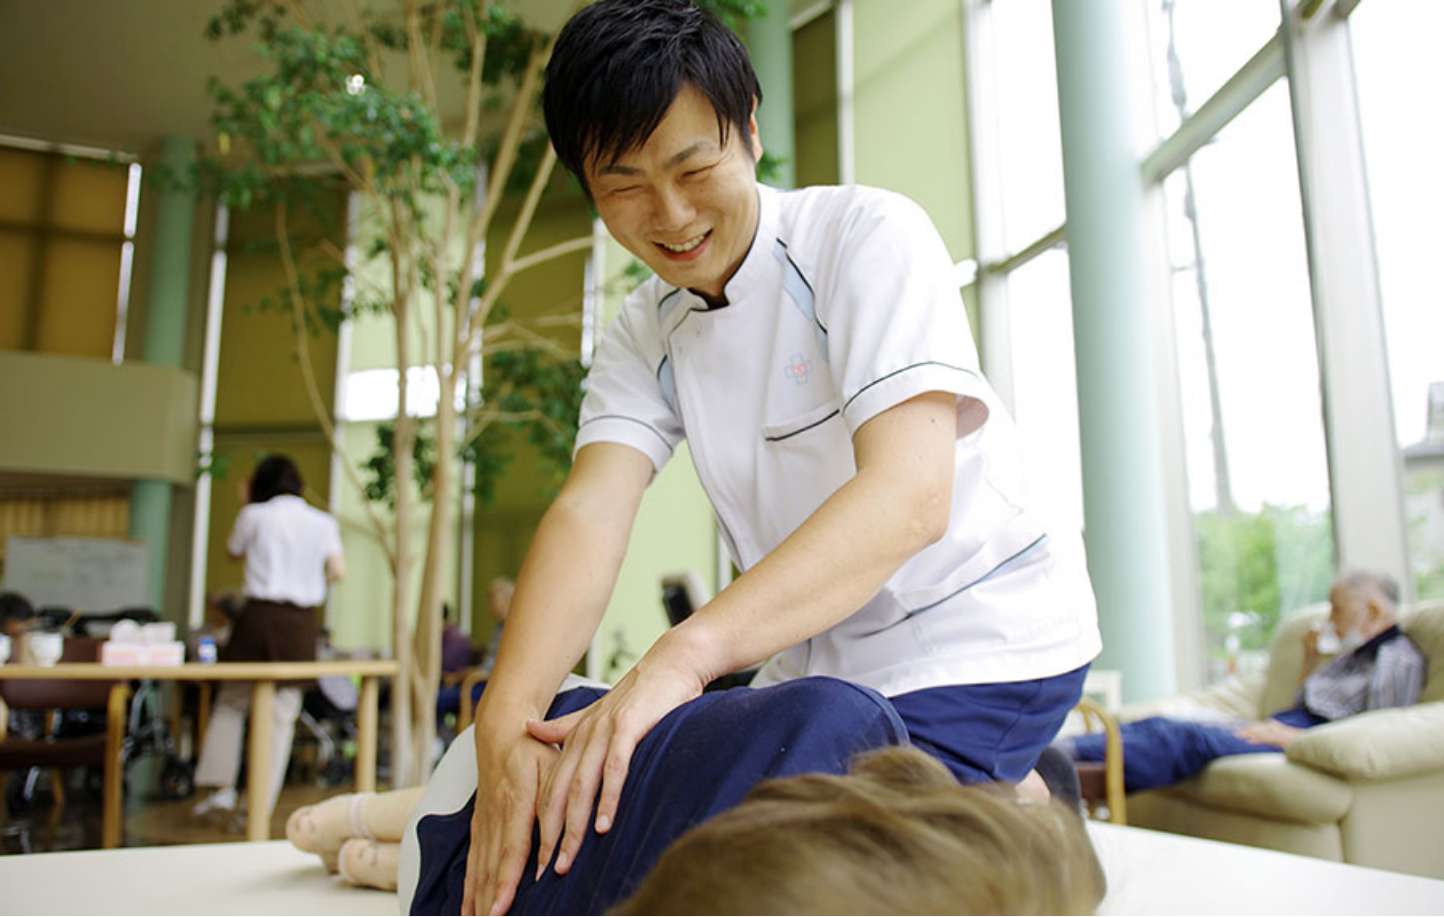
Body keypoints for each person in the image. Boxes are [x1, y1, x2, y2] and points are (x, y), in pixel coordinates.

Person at [463, 2, 1102, 912]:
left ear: (751, 130)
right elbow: (591, 510)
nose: (671, 214)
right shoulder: (643, 329)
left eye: (694, 167)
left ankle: (1030, 800)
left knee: (784, 873)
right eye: (625, 184)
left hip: (976, 634)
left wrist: (683, 657)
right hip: (822, 662)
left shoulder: (866, 237)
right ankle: (992, 788)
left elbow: (910, 495)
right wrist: (505, 718)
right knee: (656, 790)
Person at [287, 679, 1105, 914]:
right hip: (467, 842)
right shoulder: (840, 741)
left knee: (514, 796)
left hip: (481, 801)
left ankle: (361, 834)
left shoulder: (847, 723)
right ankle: (364, 846)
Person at [1063, 571, 1427, 793]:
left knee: (1186, 738)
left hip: (1307, 739)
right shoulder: (1350, 657)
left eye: (1338, 609)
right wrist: (1310, 660)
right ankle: (1066, 750)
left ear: (1374, 610)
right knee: (1161, 723)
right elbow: (1304, 702)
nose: (1331, 619)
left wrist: (1296, 739)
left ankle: (1062, 760)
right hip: (1287, 726)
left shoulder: (1398, 659)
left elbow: (1376, 736)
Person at [191, 454, 345, 821]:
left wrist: (248, 503)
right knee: (282, 714)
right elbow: (338, 571)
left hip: (259, 617)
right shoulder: (322, 522)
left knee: (232, 701)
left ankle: (219, 791)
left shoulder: (255, 515)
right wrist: (307, 582)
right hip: (300, 623)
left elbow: (233, 551)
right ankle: (258, 806)